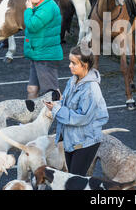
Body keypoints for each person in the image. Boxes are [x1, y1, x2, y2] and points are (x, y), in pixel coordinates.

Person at [44, 46, 108, 176]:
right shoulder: (73, 80)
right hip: (72, 139)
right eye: (70, 62)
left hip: (85, 141)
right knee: (73, 178)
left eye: (73, 63)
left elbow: (81, 117)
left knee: (75, 180)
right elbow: (67, 103)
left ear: (84, 65)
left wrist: (57, 109)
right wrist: (57, 104)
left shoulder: (91, 89)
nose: (69, 66)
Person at [24, 0, 63, 99]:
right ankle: (31, 116)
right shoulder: (42, 6)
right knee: (32, 89)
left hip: (45, 56)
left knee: (51, 94)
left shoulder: (47, 8)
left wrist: (28, 10)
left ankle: (59, 115)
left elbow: (32, 26)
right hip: (38, 54)